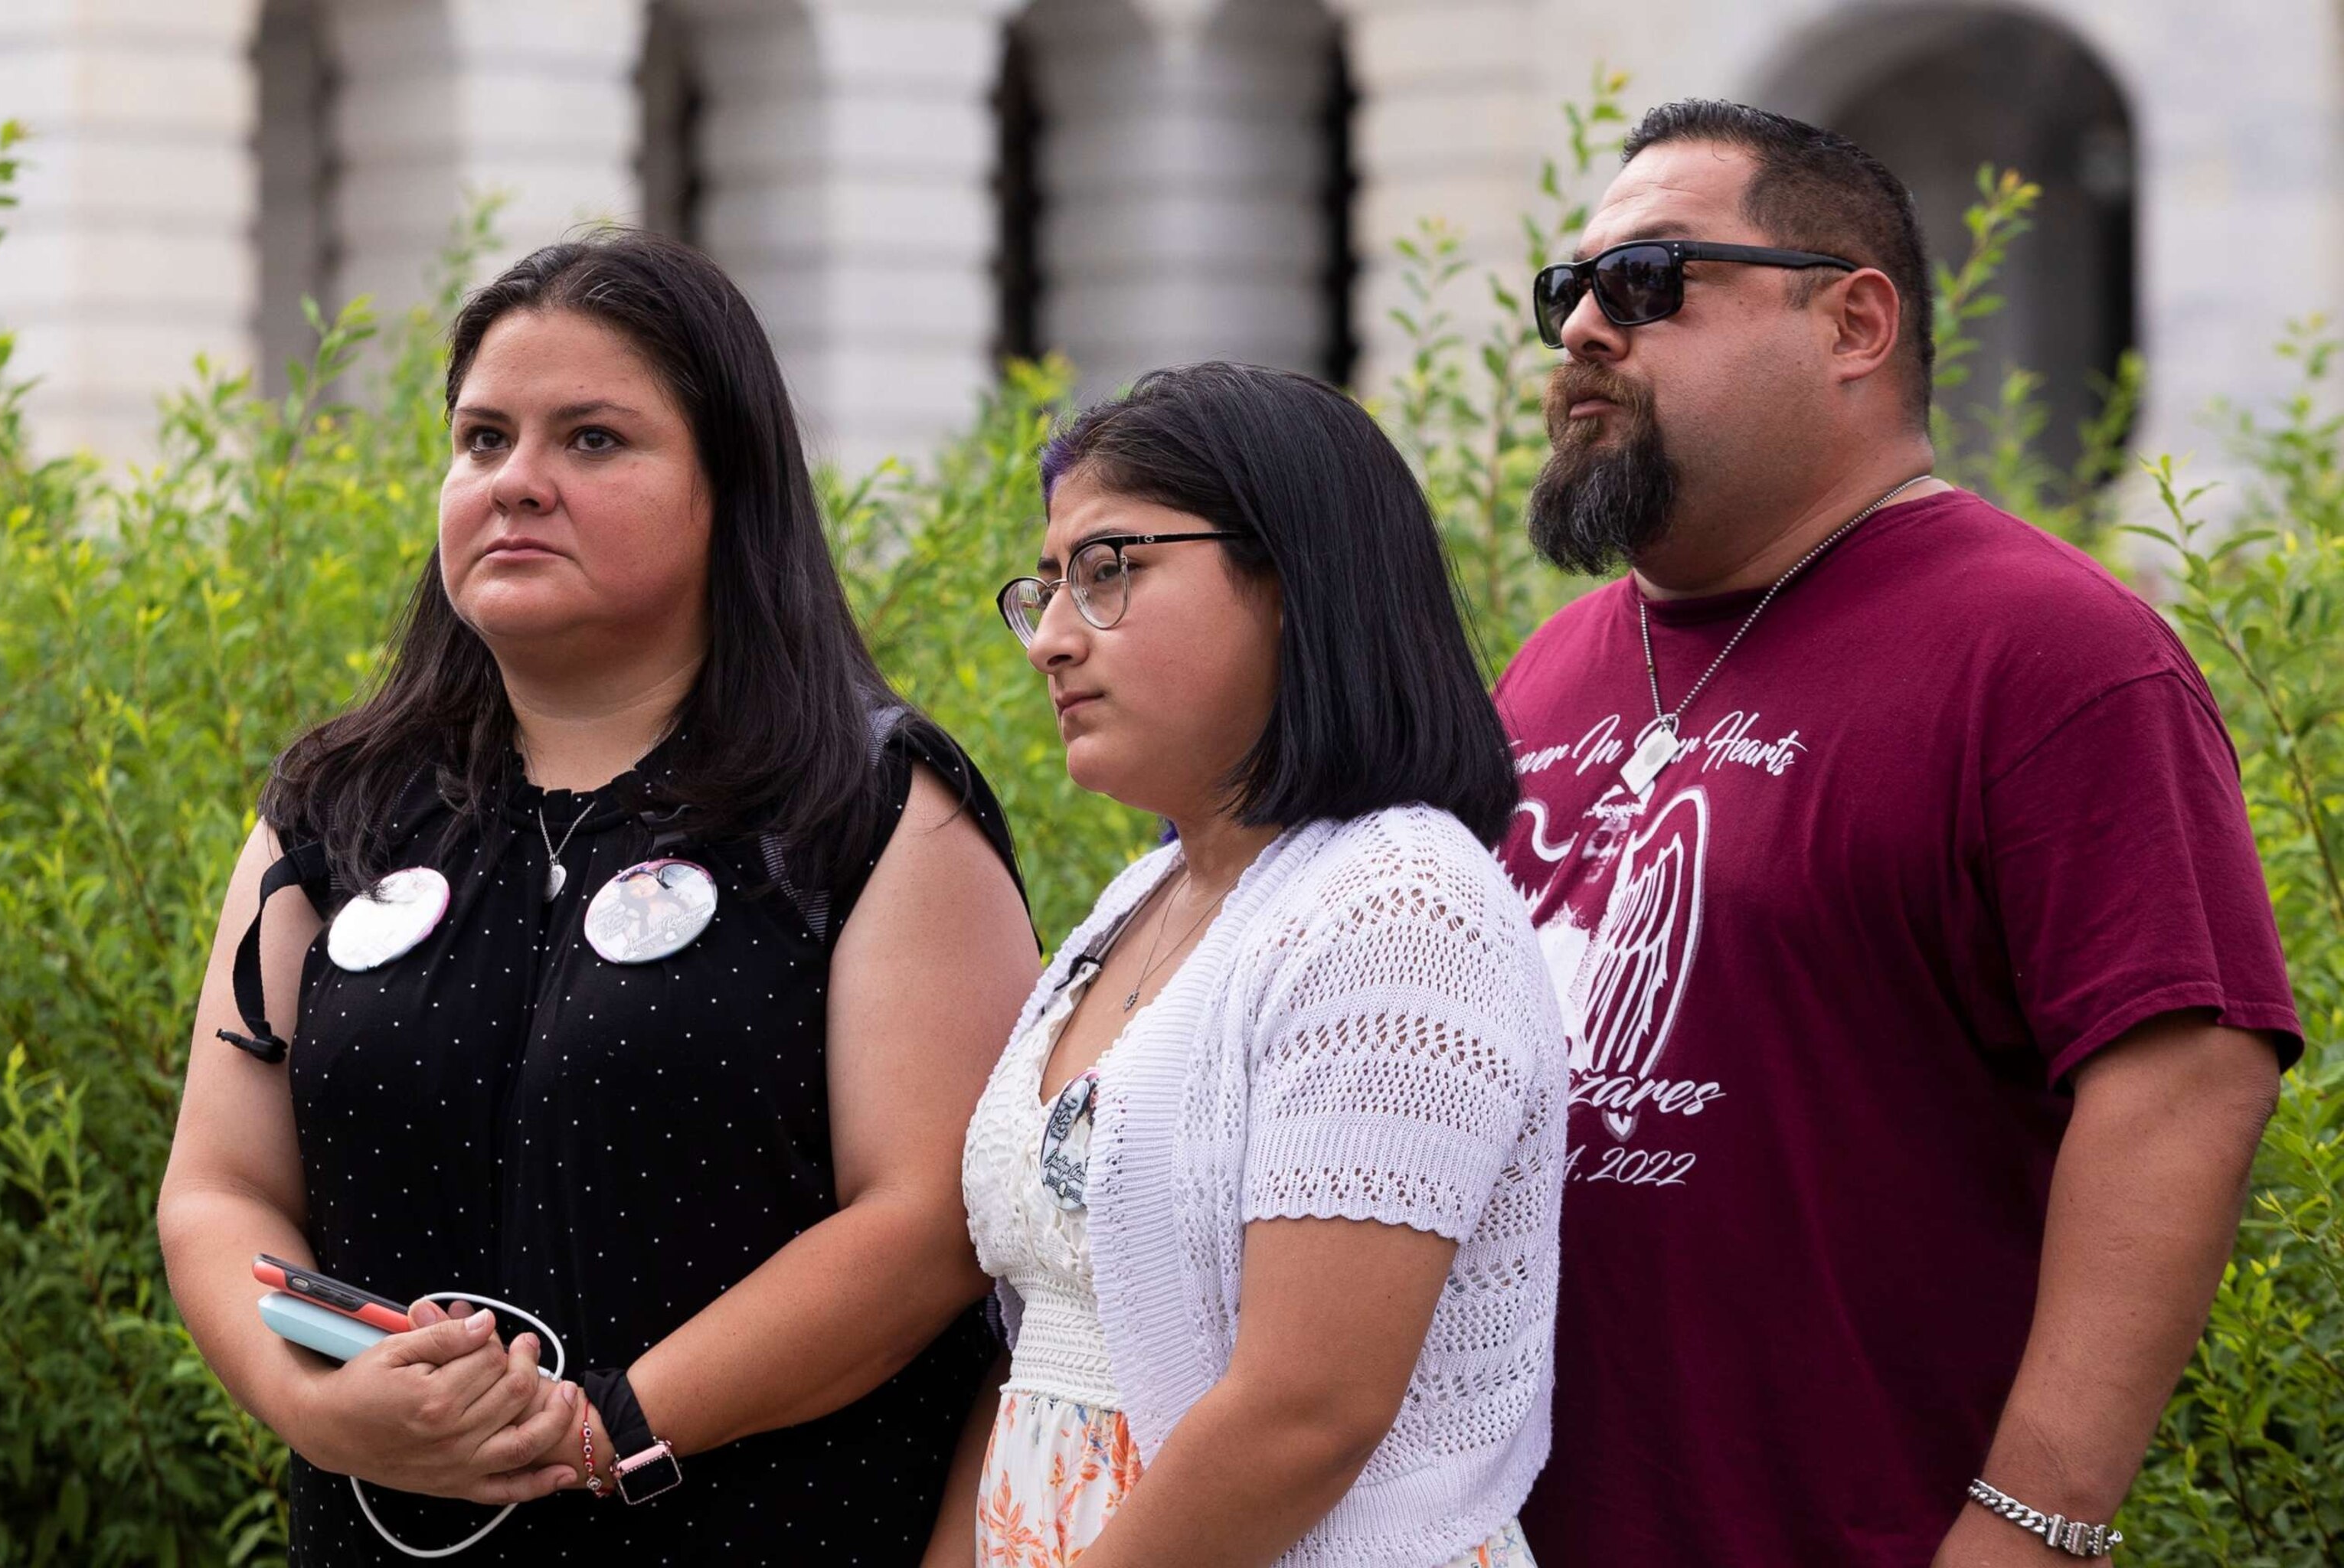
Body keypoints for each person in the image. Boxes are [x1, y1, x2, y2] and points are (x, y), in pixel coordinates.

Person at [1499, 100, 2300, 1566]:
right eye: (1570, 290)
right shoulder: (1548, 674)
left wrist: (2030, 1531)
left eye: (1653, 280)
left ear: (1854, 321)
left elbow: (2184, 1085)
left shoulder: (2048, 649)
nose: (1586, 332)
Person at [158, 230, 1039, 1563]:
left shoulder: (871, 810)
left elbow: (925, 1225)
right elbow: (218, 1190)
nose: (517, 483)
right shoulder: (331, 810)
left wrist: (592, 1432)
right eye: (483, 440)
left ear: (727, 491)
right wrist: (319, 1410)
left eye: (593, 441)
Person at [927, 361, 1566, 1568]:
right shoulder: (1142, 899)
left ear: (1293, 581)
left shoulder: (1398, 908)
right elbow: (1043, 1345)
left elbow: (1305, 1415)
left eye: (1109, 573)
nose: (1052, 641)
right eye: (1048, 588)